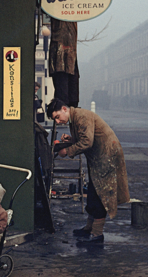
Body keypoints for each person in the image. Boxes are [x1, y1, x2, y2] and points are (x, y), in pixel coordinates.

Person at [46, 98, 130, 244]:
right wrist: (71, 140)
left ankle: (97, 235)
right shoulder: (75, 118)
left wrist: (68, 150)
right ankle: (89, 228)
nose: (58, 122)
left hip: (106, 156)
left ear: (64, 109)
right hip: (98, 157)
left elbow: (87, 142)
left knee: (101, 195)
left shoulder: (81, 116)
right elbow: (86, 137)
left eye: (58, 117)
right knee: (93, 190)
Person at [48, 0, 79, 108]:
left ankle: (67, 107)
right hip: (61, 47)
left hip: (69, 50)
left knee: (69, 82)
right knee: (63, 81)